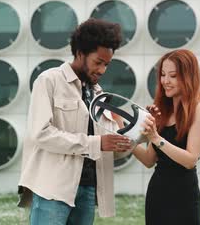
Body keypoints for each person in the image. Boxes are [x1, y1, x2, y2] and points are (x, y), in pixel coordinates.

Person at [18, 19, 146, 224]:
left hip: (87, 190)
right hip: (53, 189)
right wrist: (96, 143)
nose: (103, 70)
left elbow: (114, 150)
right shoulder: (49, 80)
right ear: (80, 53)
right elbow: (41, 134)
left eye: (107, 64)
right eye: (98, 62)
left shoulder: (99, 94)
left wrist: (139, 132)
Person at [133, 49, 200, 225]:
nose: (165, 81)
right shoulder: (163, 112)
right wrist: (127, 140)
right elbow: (149, 160)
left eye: (173, 75)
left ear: (188, 76)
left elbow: (190, 160)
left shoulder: (199, 110)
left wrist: (156, 138)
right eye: (163, 75)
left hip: (184, 195)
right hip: (157, 193)